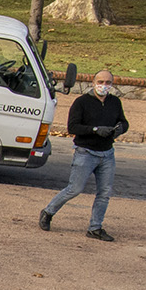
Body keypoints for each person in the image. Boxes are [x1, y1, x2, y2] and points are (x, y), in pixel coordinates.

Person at [41, 68, 126, 241]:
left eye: (108, 83)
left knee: (104, 192)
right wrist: (95, 130)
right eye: (100, 82)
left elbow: (123, 121)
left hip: (107, 154)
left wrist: (121, 128)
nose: (104, 86)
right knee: (75, 189)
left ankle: (95, 227)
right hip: (85, 152)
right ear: (93, 83)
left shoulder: (114, 102)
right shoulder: (81, 102)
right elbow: (73, 127)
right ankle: (48, 211)